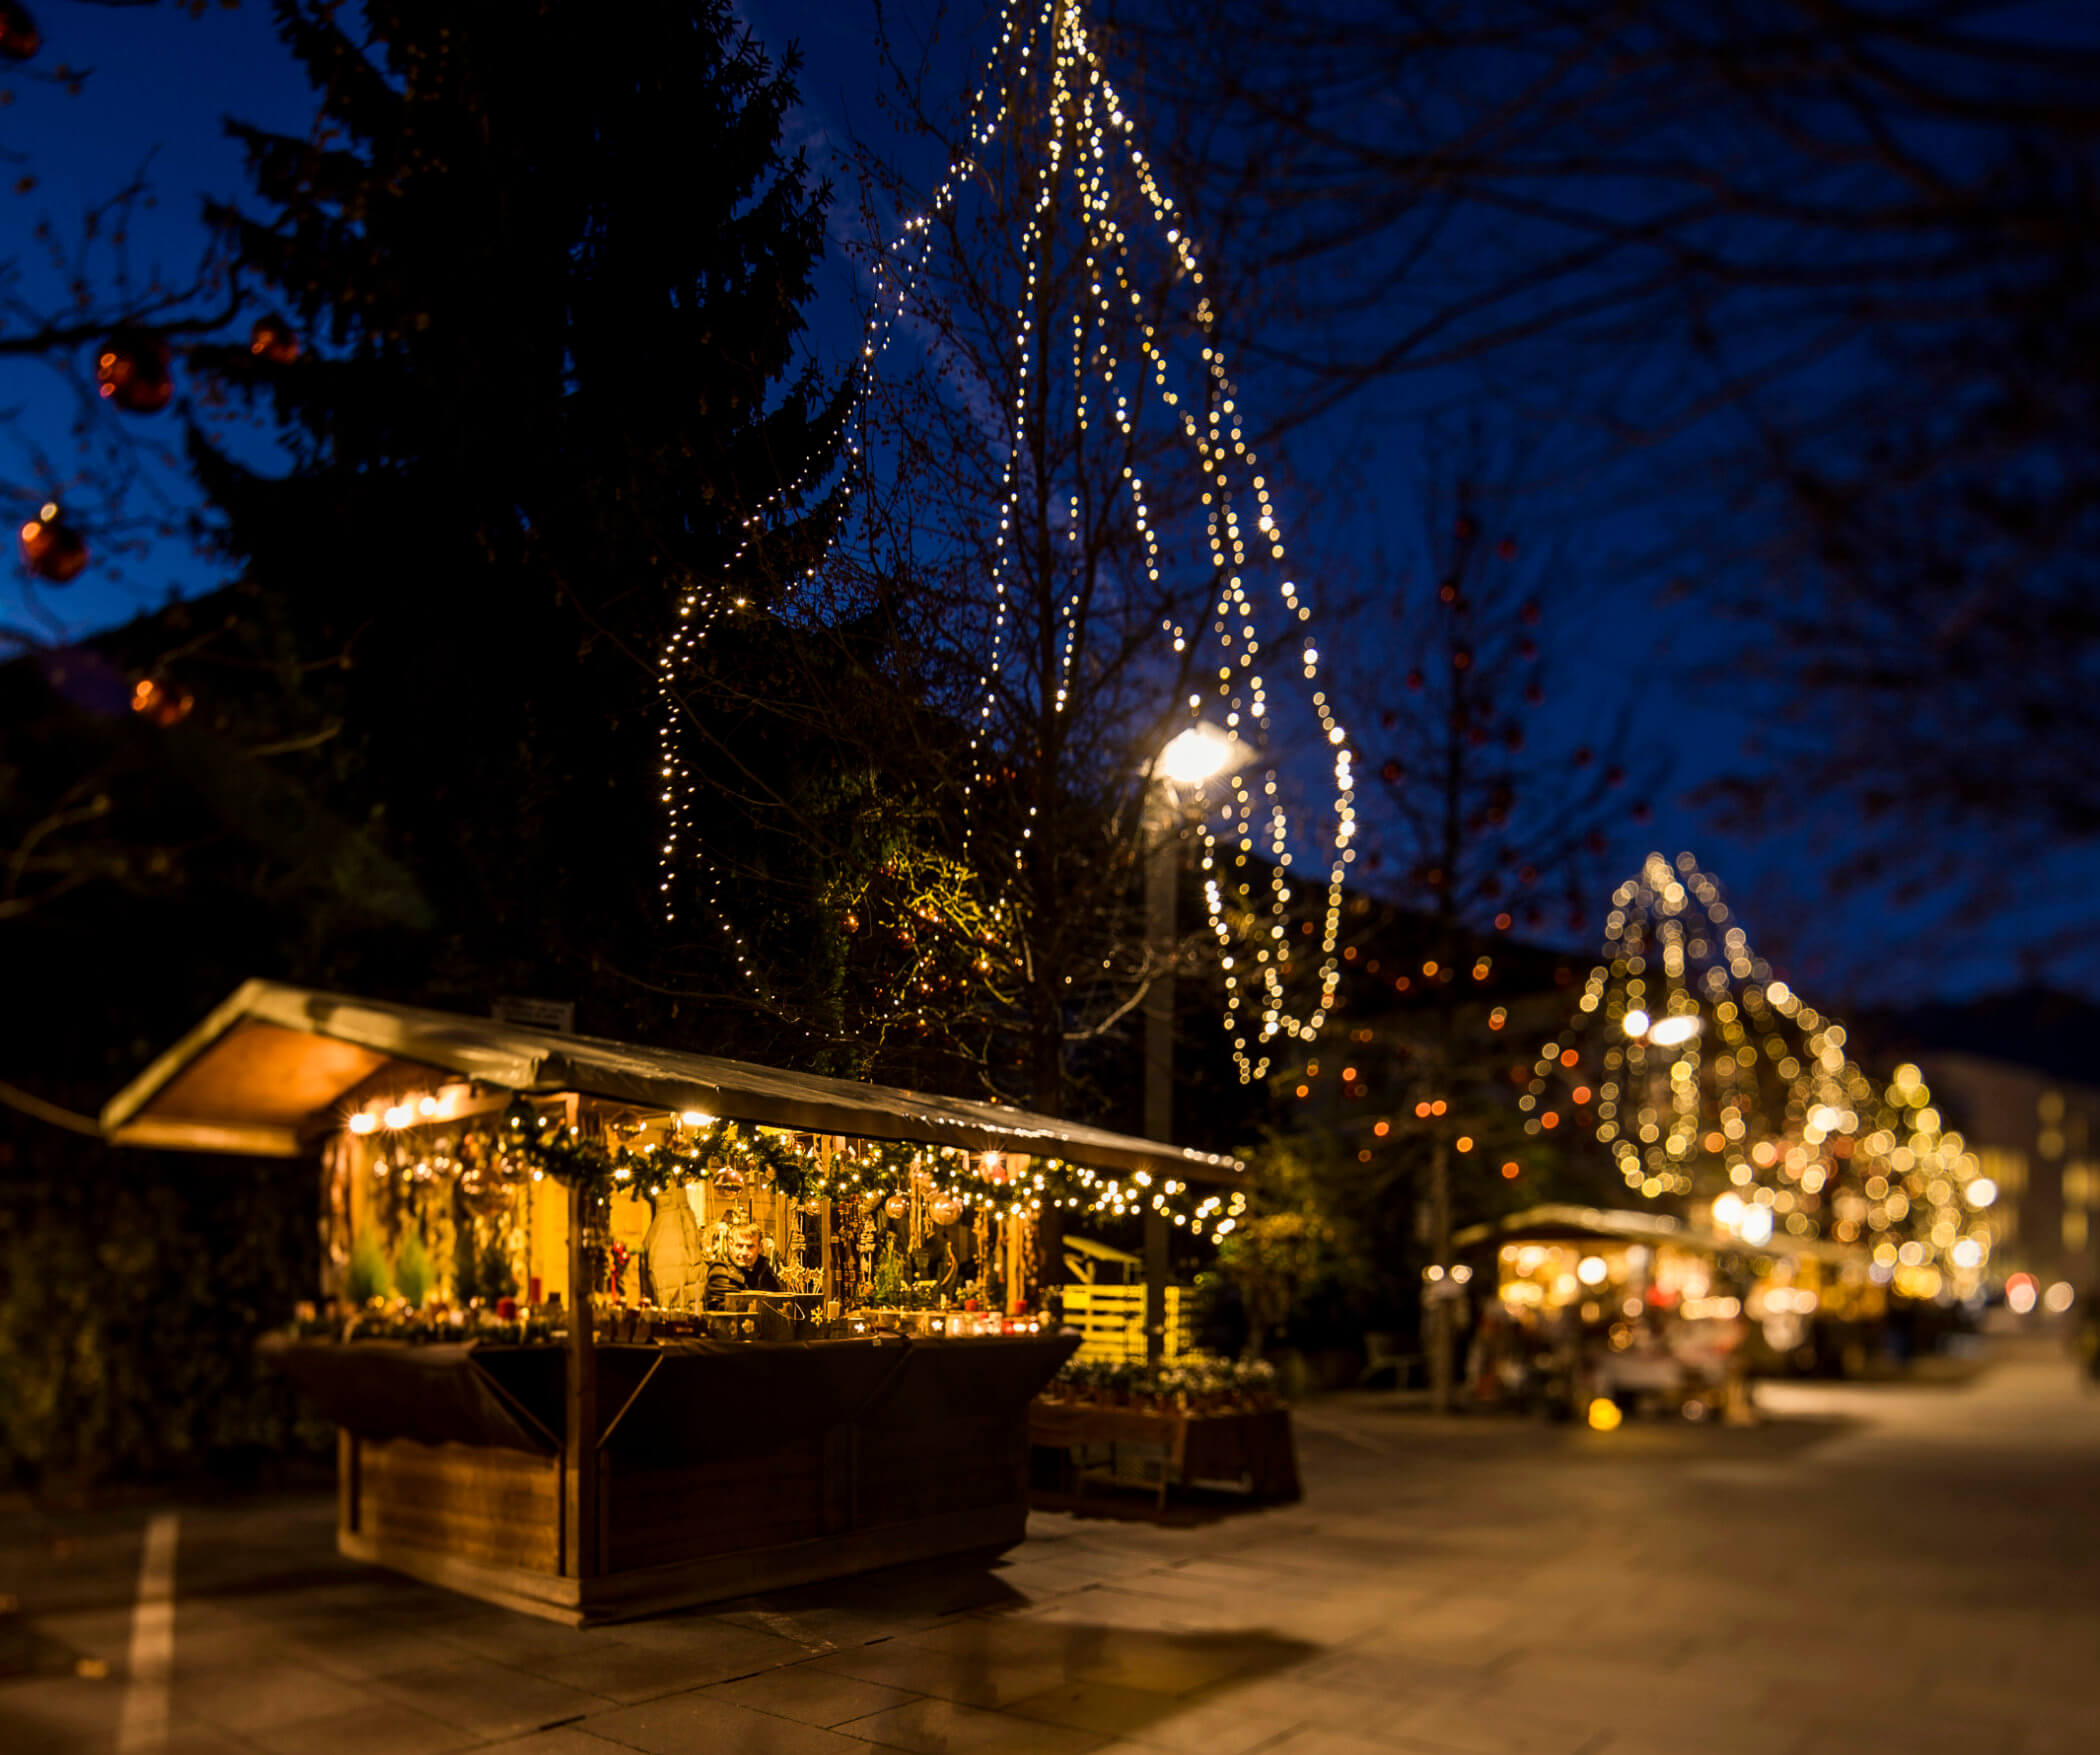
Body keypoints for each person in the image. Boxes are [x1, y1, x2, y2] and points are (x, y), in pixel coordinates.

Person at [705, 1218, 785, 1308]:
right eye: (739, 1246)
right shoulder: (720, 1272)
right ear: (731, 1245)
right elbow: (733, 1309)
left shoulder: (765, 1270)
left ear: (760, 1247)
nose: (744, 1253)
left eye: (750, 1247)